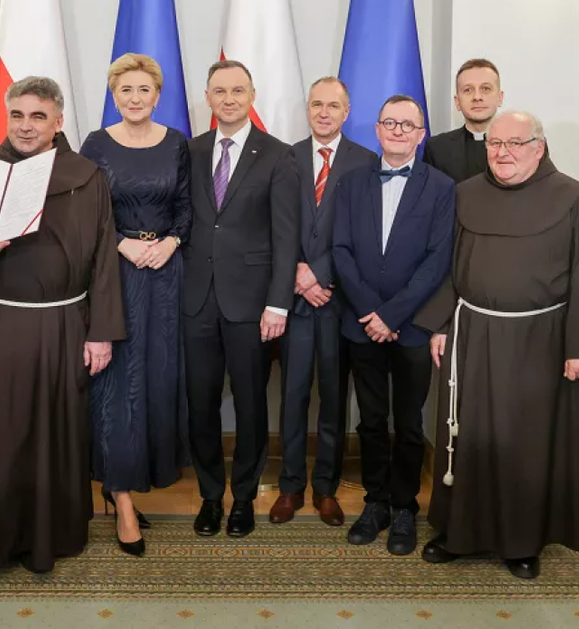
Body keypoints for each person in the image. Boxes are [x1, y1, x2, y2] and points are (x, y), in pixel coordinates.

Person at [0, 76, 126, 589]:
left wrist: (101, 332)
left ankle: (45, 541)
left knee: (49, 433)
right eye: (17, 115)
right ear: (6, 116)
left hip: (64, 322)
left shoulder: (87, 176)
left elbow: (105, 256)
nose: (26, 126)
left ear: (58, 122)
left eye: (38, 116)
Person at [415, 110, 579, 579]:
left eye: (514, 144)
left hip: (540, 340)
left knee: (526, 443)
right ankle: (459, 533)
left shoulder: (572, 197)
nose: (502, 153)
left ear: (538, 147)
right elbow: (447, 265)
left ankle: (522, 541)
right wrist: (441, 323)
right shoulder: (465, 194)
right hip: (472, 334)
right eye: (494, 144)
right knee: (468, 436)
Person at [331, 94, 455, 556]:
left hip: (412, 328)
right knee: (370, 420)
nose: (399, 131)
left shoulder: (442, 188)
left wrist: (394, 316)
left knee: (407, 422)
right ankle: (375, 501)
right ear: (377, 130)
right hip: (362, 323)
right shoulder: (349, 183)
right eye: (390, 123)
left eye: (408, 125)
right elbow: (340, 251)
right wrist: (373, 313)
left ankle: (404, 507)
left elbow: (437, 261)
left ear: (421, 135)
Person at [80, 53, 193, 557]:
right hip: (116, 270)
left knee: (155, 380)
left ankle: (132, 482)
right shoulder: (96, 144)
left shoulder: (176, 143)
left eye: (143, 90)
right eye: (125, 90)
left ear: (157, 95)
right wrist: (123, 244)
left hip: (167, 274)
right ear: (113, 94)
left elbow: (188, 208)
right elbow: (87, 211)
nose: (134, 98)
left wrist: (169, 244)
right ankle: (121, 499)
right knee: (116, 386)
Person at [184, 59, 299, 539]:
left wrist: (278, 303)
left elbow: (286, 235)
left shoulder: (277, 154)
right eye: (219, 91)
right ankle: (211, 496)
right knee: (199, 403)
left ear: (252, 95)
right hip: (195, 300)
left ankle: (245, 499)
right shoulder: (187, 152)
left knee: (252, 404)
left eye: (237, 90)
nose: (228, 99)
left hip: (252, 304)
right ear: (207, 98)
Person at [269, 77, 377, 527]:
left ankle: (326, 488)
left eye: (334, 105)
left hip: (338, 302)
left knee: (333, 399)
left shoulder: (366, 161)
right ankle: (291, 486)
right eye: (317, 104)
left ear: (347, 111)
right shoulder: (284, 157)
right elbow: (273, 224)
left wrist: (321, 273)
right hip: (293, 300)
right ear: (308, 108)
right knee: (292, 396)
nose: (325, 112)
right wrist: (296, 272)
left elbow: (364, 233)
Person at [423, 58, 504, 183]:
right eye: (468, 90)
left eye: (486, 89)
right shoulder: (437, 149)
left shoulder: (526, 144)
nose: (477, 97)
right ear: (457, 102)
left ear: (500, 98)